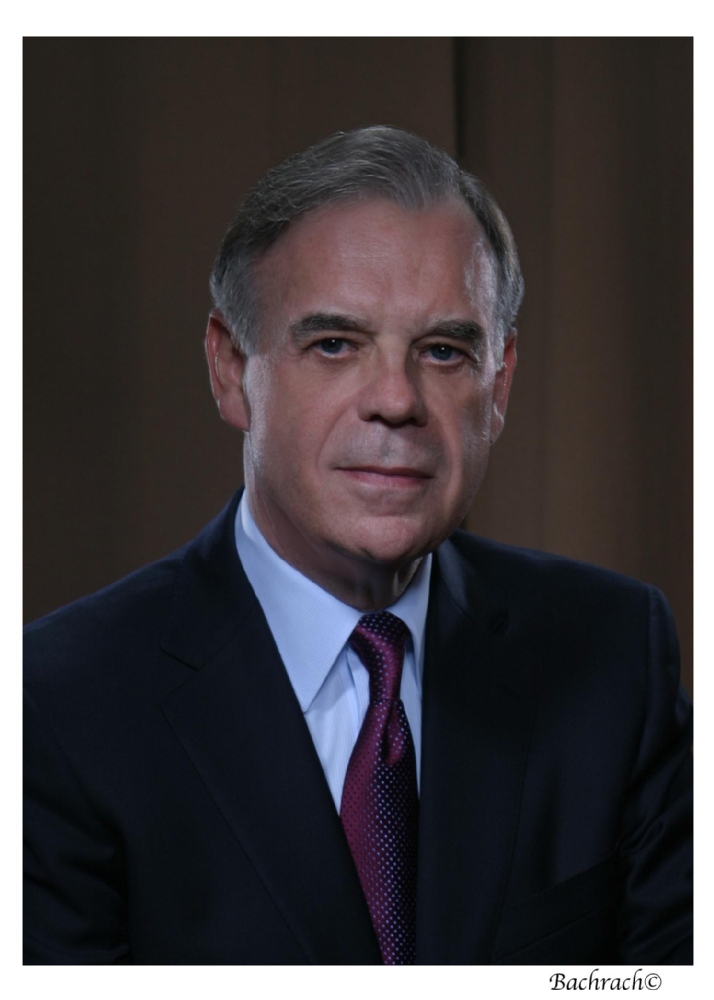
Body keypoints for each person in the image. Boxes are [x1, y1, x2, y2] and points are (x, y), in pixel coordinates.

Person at [23, 126, 692, 965]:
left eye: (443, 351)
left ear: (499, 386)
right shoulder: (58, 705)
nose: (396, 401)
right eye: (334, 345)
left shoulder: (614, 658)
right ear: (231, 370)